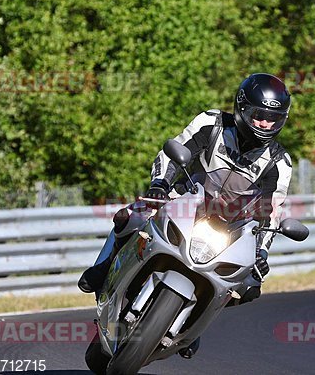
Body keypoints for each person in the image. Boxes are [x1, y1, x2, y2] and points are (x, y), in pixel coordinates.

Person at [78, 72, 293, 358]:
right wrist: (159, 186)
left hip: (230, 228)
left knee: (249, 286)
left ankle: (194, 323)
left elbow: (271, 211)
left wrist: (261, 253)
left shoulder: (280, 162)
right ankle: (102, 268)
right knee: (129, 216)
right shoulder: (212, 123)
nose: (265, 123)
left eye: (272, 119)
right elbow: (173, 152)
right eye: (258, 115)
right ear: (242, 108)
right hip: (184, 200)